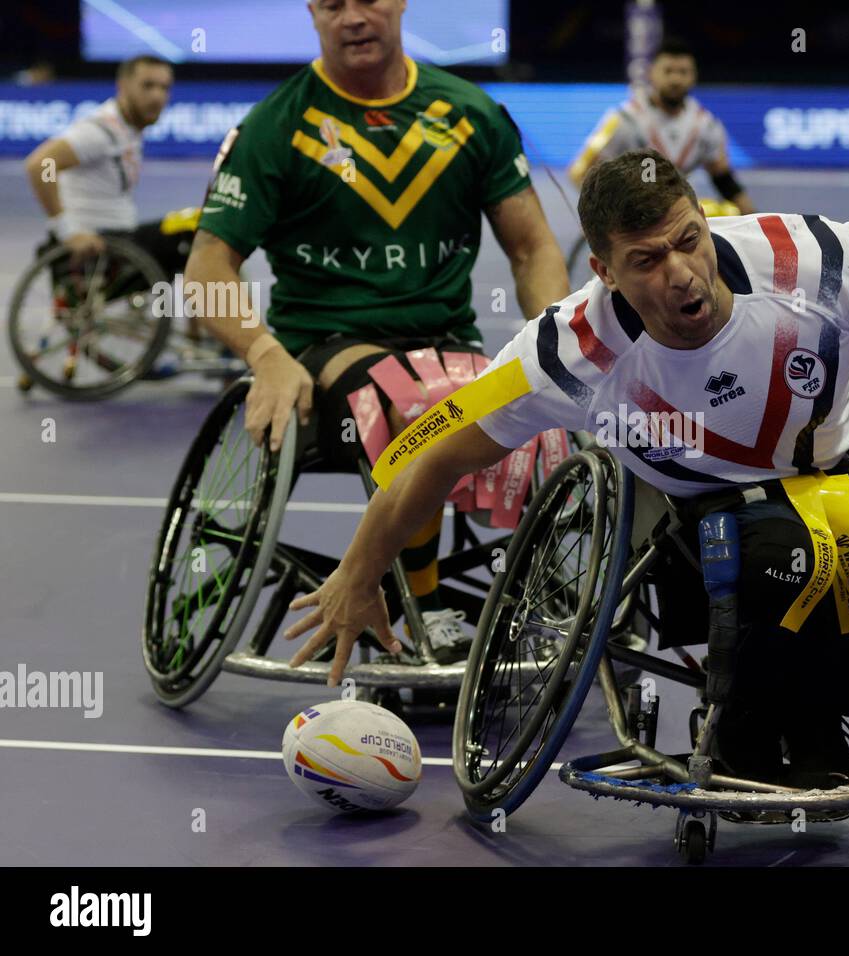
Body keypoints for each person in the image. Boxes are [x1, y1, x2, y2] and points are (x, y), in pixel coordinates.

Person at [284, 149, 849, 786]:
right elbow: (436, 455)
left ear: (705, 220)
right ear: (606, 270)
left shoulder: (809, 259)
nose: (682, 274)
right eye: (648, 261)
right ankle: (747, 734)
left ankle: (814, 728)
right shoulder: (568, 353)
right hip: (682, 505)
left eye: (687, 241)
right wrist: (361, 570)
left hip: (835, 471)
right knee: (772, 551)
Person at [184, 0, 569, 661]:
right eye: (333, 4)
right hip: (327, 350)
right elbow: (207, 266)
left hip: (449, 345)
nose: (352, 17)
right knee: (425, 405)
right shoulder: (277, 125)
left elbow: (533, 249)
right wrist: (263, 351)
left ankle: (551, 582)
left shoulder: (470, 114)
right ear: (312, 13)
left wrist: (554, 344)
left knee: (531, 401)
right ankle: (423, 600)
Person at [23, 55, 194, 274]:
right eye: (148, 86)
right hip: (102, 246)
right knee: (195, 228)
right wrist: (67, 230)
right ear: (122, 86)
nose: (157, 96)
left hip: (123, 239)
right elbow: (42, 164)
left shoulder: (129, 129)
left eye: (164, 88)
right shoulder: (100, 131)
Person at [568, 36, 755, 215]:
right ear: (651, 73)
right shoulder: (624, 120)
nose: (675, 79)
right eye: (668, 71)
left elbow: (723, 179)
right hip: (634, 216)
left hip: (680, 214)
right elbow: (580, 173)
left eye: (683, 72)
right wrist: (609, 214)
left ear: (693, 76)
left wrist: (754, 218)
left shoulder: (706, 125)